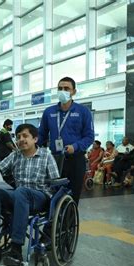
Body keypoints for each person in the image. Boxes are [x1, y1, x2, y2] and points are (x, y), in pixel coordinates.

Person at [0, 124, 59, 266]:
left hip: (39, 197)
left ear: (35, 139)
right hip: (19, 196)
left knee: (21, 191)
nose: (21, 139)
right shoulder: (15, 155)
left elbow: (56, 182)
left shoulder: (46, 155)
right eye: (18, 136)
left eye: (25, 136)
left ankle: (16, 249)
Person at [37, 77, 94, 205]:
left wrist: (76, 146)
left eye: (66, 88)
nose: (63, 91)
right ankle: (52, 224)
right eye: (60, 88)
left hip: (76, 159)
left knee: (72, 197)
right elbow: (41, 135)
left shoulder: (83, 111)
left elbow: (89, 136)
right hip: (54, 160)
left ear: (73, 91)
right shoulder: (49, 112)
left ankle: (68, 223)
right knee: (52, 195)